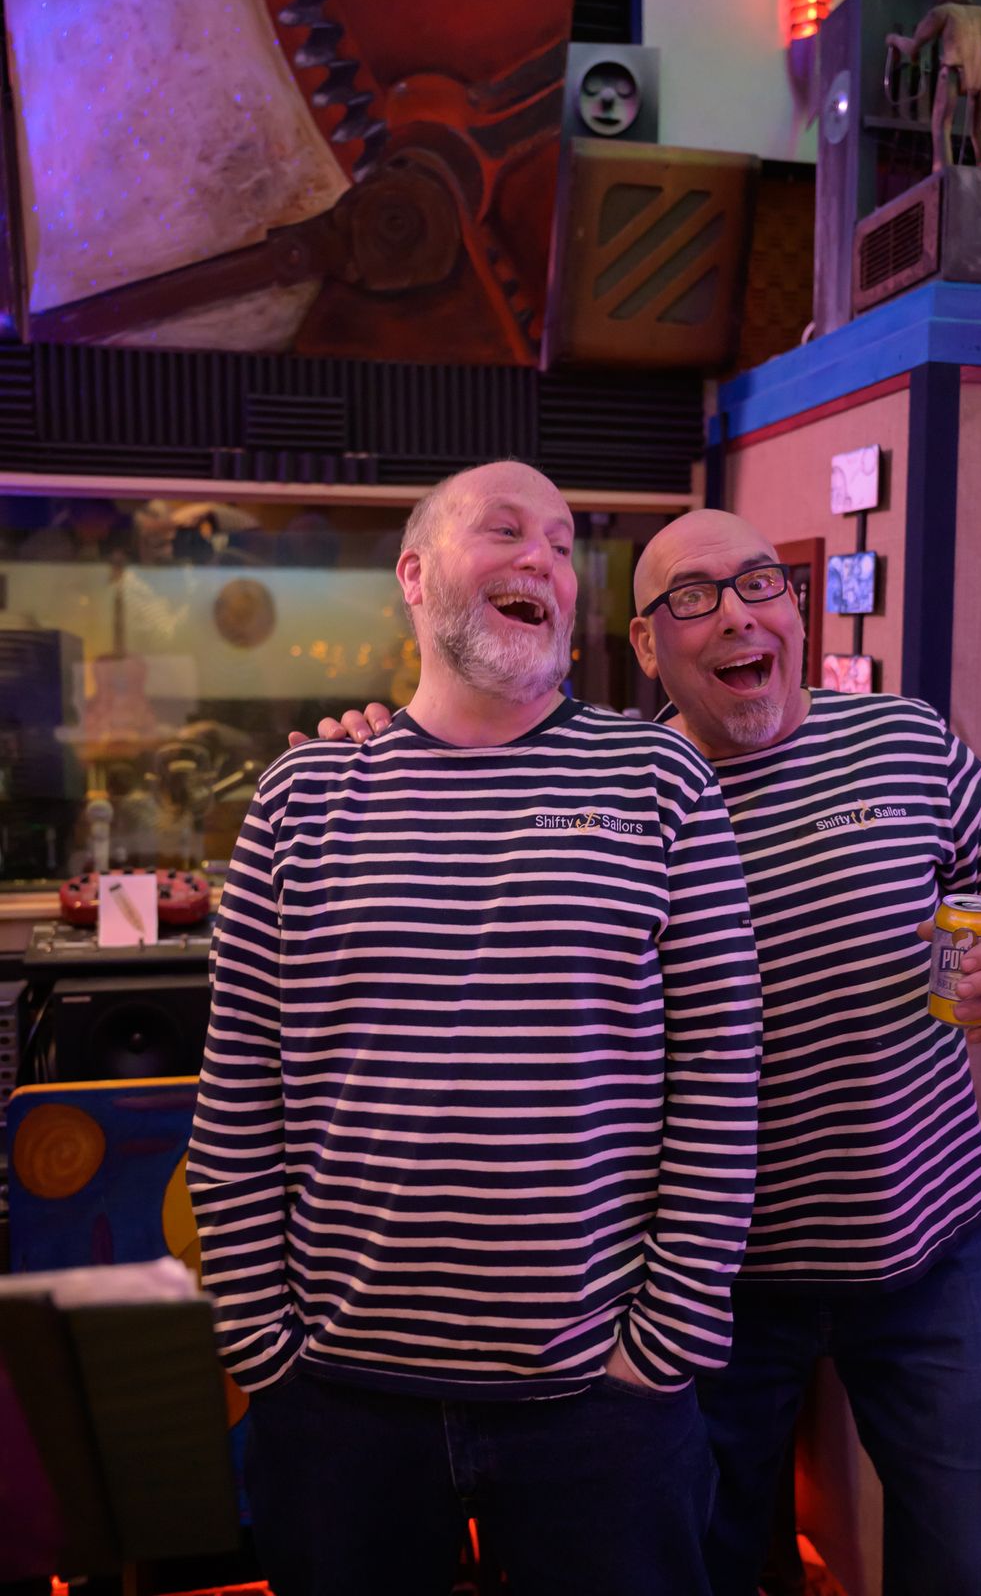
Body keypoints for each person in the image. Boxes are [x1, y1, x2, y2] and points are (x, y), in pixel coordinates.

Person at [317, 503, 981, 1596]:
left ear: (795, 612)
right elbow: (465, 777)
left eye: (760, 584)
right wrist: (376, 748)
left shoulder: (902, 740)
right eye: (692, 598)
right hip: (712, 1281)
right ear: (645, 644)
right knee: (697, 1562)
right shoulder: (616, 783)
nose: (738, 617)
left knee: (965, 1565)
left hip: (926, 1254)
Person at [189, 463, 763, 1596]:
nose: (543, 559)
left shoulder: (658, 779)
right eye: (504, 530)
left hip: (599, 1403)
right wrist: (265, 1351)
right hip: (340, 1404)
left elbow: (720, 1078)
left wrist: (664, 1344)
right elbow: (238, 1097)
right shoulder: (303, 798)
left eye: (560, 541)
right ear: (414, 575)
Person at [887, 0, 981, 172]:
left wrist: (893, 39)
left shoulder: (943, 12)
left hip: (954, 71)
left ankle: (943, 178)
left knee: (941, 127)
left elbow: (913, 47)